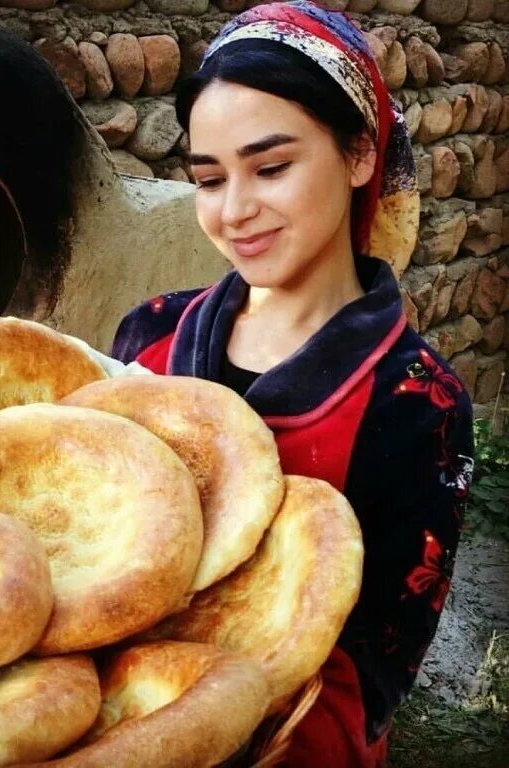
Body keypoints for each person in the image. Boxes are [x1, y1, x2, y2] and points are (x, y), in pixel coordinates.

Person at [110, 2, 474, 766]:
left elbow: (368, 680)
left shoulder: (416, 405)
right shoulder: (151, 337)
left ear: (359, 156)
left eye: (271, 168)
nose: (235, 211)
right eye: (210, 180)